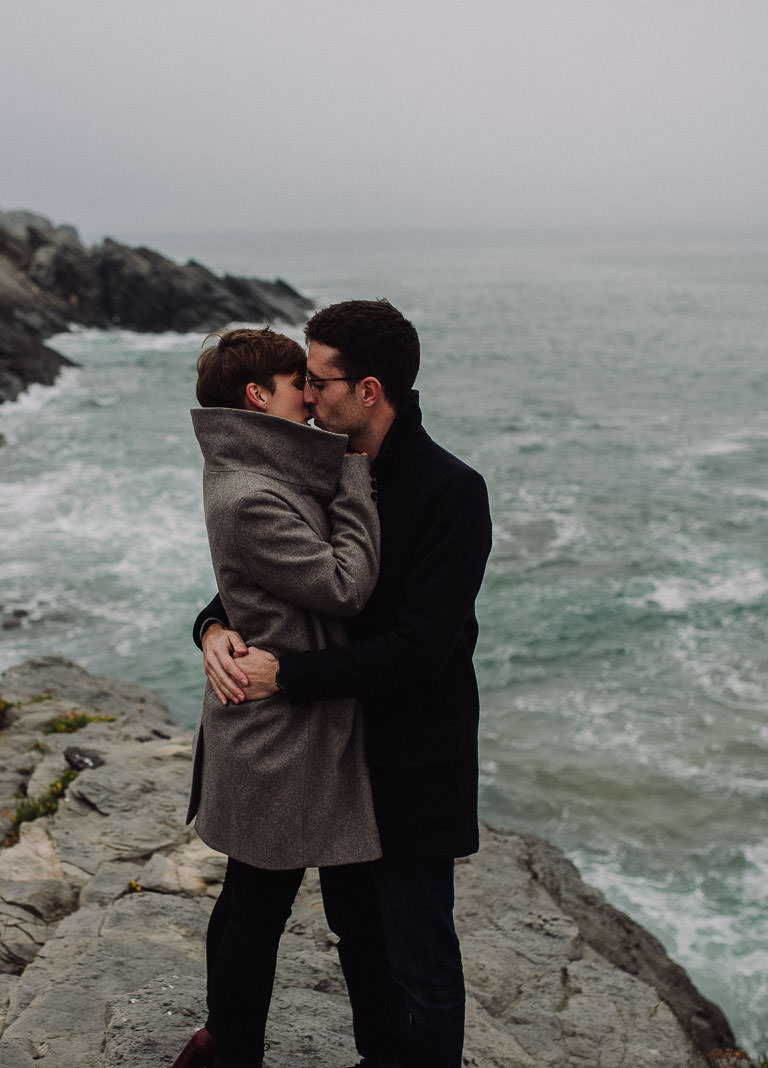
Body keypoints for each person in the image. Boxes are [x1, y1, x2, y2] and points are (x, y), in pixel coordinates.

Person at [194, 300, 492, 1067]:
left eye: (317, 380)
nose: (309, 395)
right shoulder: (327, 467)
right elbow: (266, 572)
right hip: (339, 755)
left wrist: (286, 674)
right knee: (357, 936)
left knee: (420, 956)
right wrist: (213, 627)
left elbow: (420, 650)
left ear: (368, 389)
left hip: (413, 754)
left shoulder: (449, 491)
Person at [175, 326, 383, 1068]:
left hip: (282, 727)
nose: (312, 394)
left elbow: (247, 587)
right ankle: (232, 1050)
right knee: (258, 907)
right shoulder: (250, 493)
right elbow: (342, 586)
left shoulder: (264, 474)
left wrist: (210, 624)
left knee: (253, 900)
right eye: (300, 382)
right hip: (280, 737)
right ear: (259, 396)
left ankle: (223, 1043)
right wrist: (357, 477)